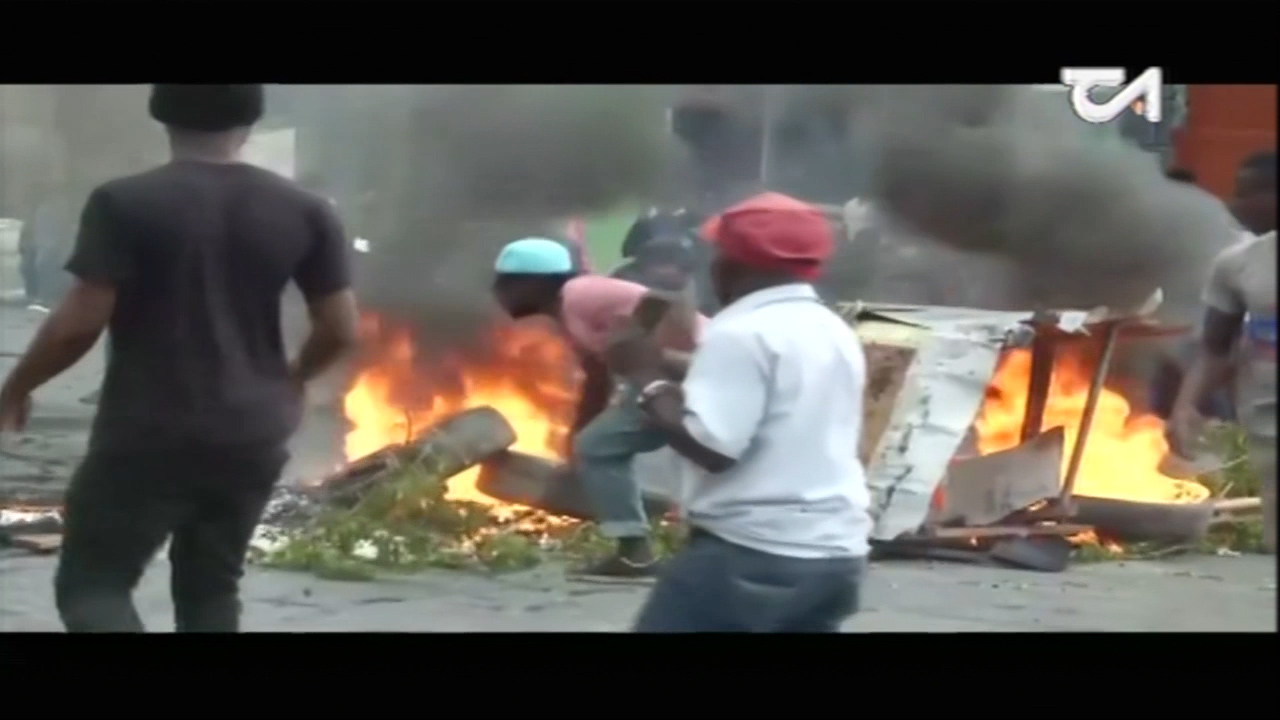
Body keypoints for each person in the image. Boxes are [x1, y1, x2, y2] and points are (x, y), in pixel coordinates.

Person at [0, 84, 359, 631]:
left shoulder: (123, 202)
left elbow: (79, 324)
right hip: (254, 432)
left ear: (160, 113)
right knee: (211, 589)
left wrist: (17, 386)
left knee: (95, 585)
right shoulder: (307, 210)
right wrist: (292, 381)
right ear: (253, 118)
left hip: (147, 430)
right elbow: (338, 327)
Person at [605, 191, 872, 632]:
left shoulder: (742, 332)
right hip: (836, 556)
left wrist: (644, 376)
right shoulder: (832, 328)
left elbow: (713, 445)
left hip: (752, 555)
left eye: (719, 253)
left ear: (735, 264)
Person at [491, 237, 704, 578]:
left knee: (604, 446)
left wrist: (663, 355)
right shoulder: (569, 313)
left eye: (506, 283)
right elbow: (596, 378)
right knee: (598, 444)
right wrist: (576, 437)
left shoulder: (580, 293)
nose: (498, 292)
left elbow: (661, 300)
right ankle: (643, 551)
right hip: (677, 377)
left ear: (533, 282)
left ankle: (638, 553)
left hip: (699, 373)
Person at [1168, 150, 1276, 554]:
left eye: (1249, 193)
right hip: (1268, 424)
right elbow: (1215, 347)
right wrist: (1185, 408)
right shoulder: (1237, 265)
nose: (1235, 204)